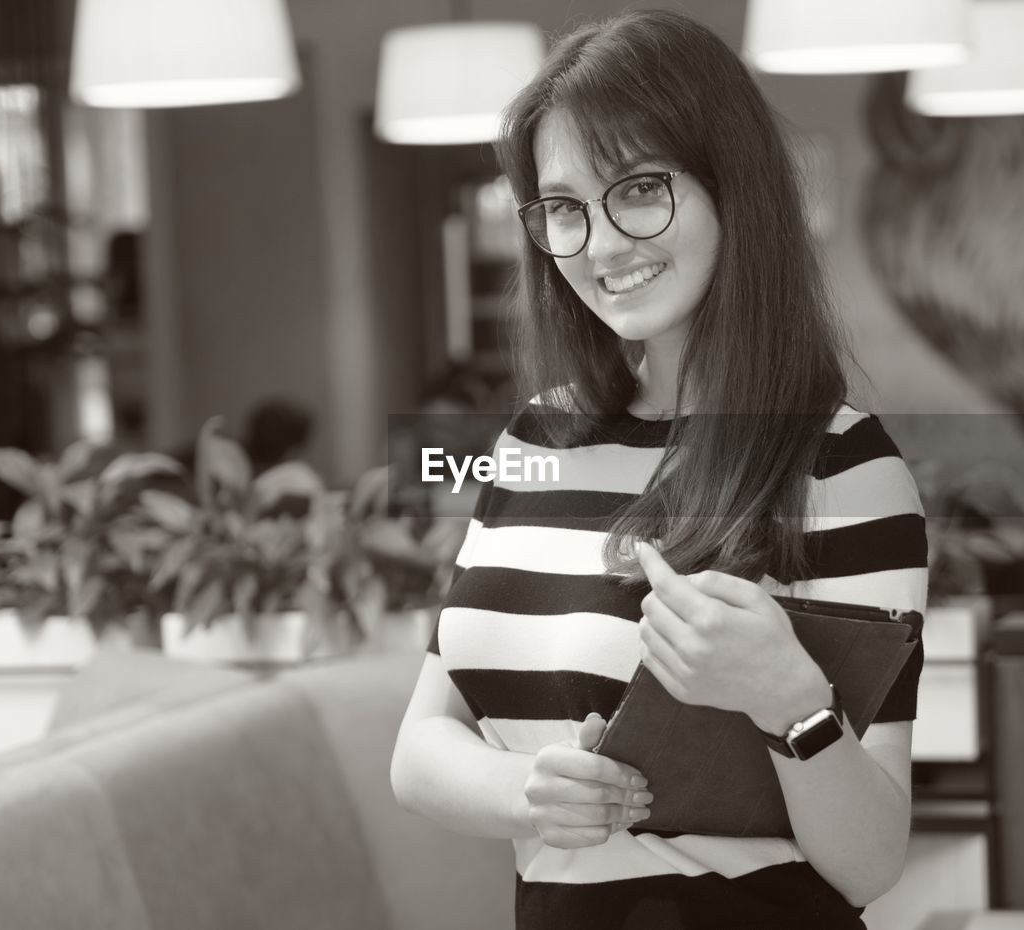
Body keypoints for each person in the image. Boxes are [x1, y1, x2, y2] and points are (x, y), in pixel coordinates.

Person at [390, 10, 928, 929]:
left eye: (639, 190)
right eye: (564, 209)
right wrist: (530, 791)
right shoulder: (539, 440)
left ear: (732, 187)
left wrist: (790, 701)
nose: (601, 247)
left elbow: (871, 864)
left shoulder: (841, 462)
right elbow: (420, 749)